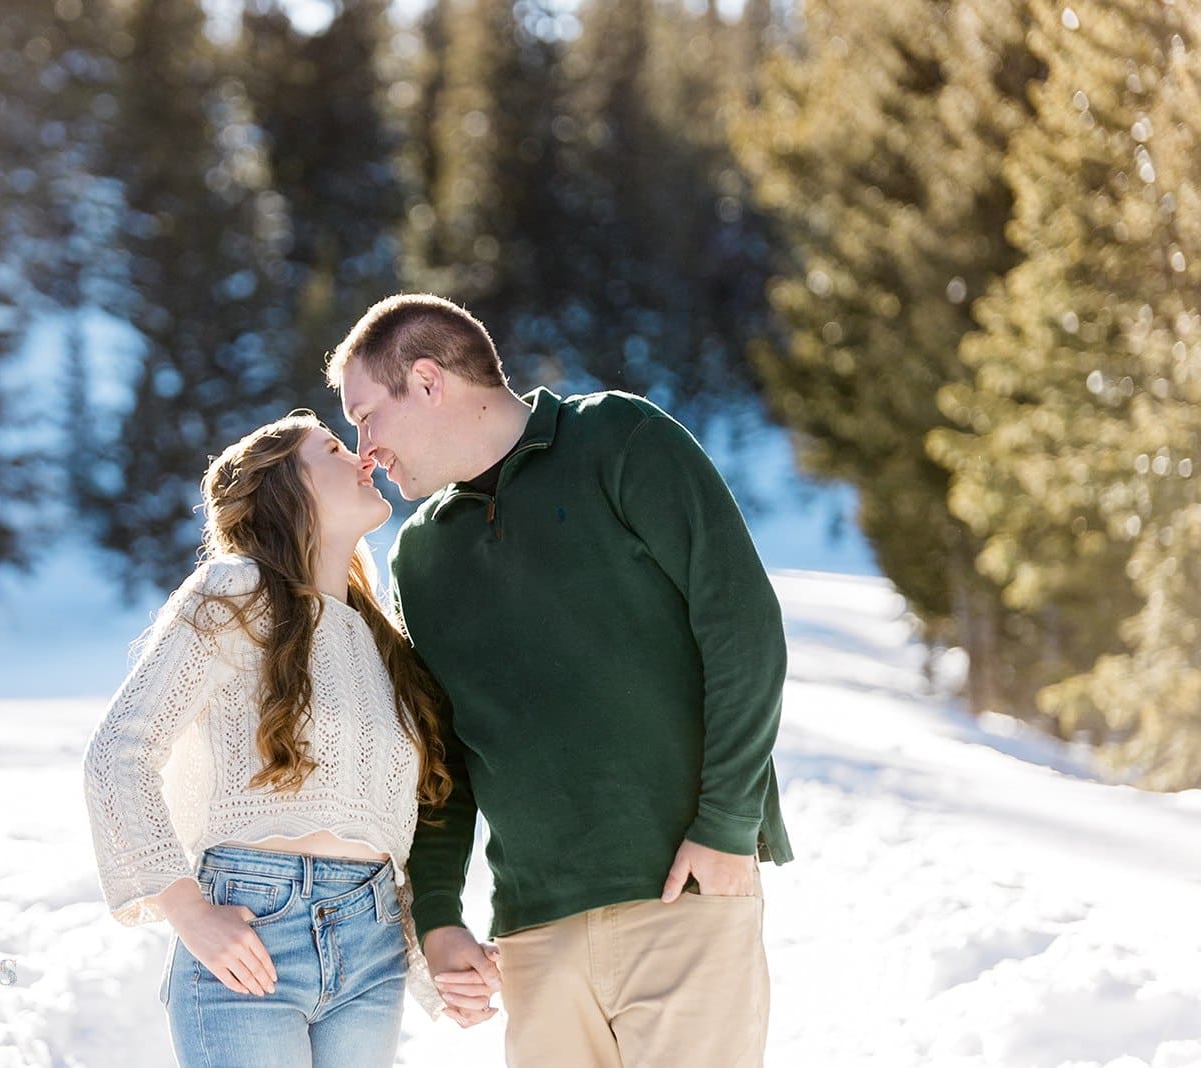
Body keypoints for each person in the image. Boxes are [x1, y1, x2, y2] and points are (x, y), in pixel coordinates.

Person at [327, 294, 795, 1067]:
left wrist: (725, 826)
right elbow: (445, 754)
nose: (364, 449)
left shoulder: (620, 440)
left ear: (429, 381)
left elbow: (743, 629)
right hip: (534, 931)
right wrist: (439, 914)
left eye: (366, 416)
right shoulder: (421, 558)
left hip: (683, 891)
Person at [81, 410, 458, 1067]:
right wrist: (189, 913)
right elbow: (119, 753)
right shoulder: (234, 592)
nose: (364, 458)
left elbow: (392, 822)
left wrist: (436, 955)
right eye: (336, 449)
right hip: (251, 927)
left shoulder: (384, 642)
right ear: (288, 490)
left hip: (371, 944)